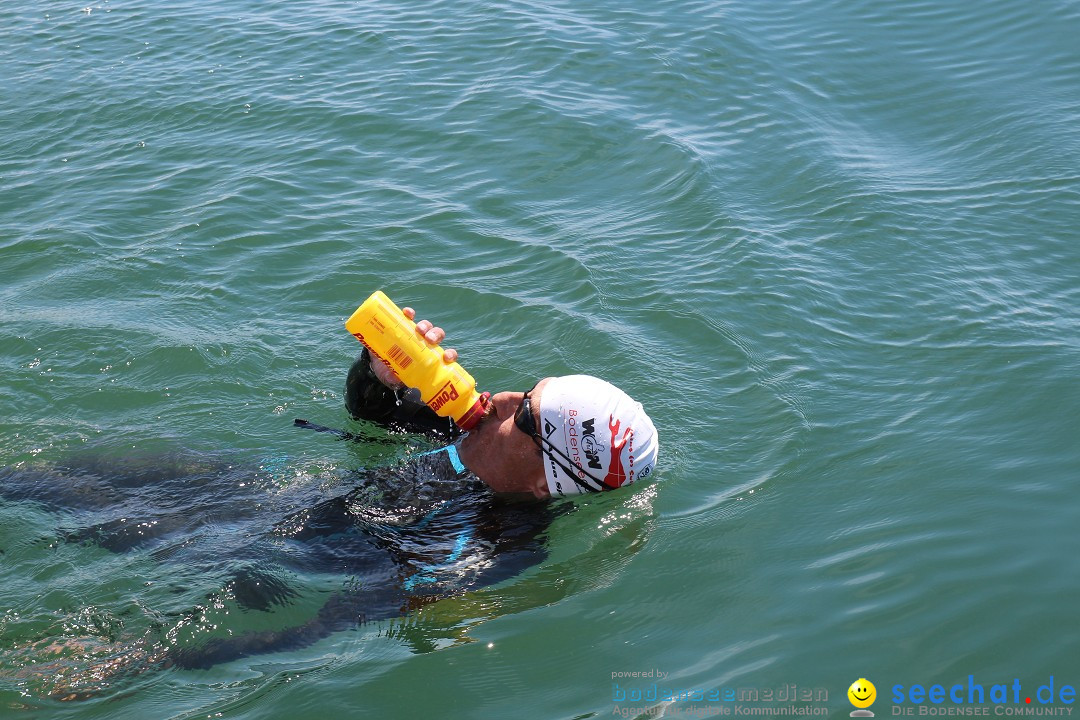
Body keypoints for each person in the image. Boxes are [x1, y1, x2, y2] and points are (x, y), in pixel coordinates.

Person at [344, 306, 659, 500]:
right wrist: (380, 375)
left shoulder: (475, 553)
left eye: (523, 415)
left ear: (544, 486)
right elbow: (374, 416)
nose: (502, 399)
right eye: (527, 392)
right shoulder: (472, 432)